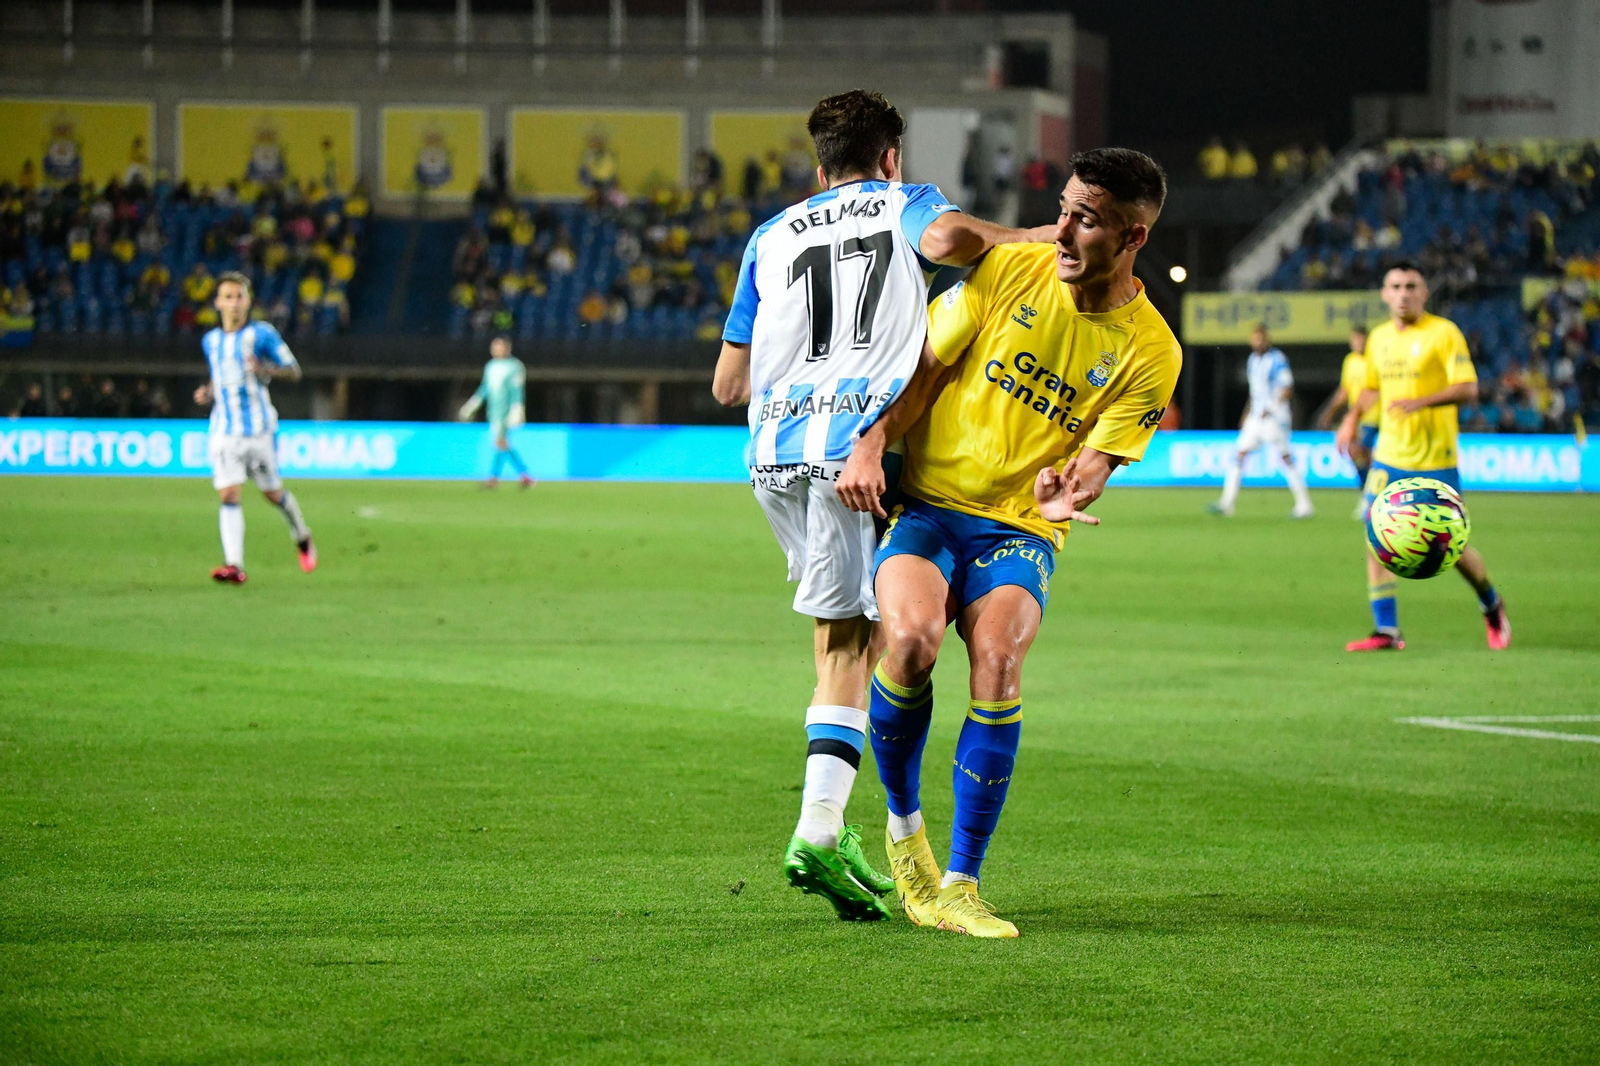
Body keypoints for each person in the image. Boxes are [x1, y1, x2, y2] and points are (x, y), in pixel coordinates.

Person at [712, 89, 1055, 924]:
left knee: (841, 644)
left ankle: (828, 827)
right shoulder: (906, 203)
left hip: (773, 457)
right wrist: (1041, 241)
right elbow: (950, 242)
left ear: (817, 162)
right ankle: (824, 829)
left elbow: (727, 383)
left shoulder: (770, 235)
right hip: (856, 452)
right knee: (877, 644)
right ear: (891, 157)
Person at [836, 147, 1182, 937]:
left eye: (1084, 219)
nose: (1059, 230)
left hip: (1019, 526)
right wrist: (871, 445)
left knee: (997, 663)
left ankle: (961, 884)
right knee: (912, 646)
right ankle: (903, 832)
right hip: (926, 503)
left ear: (1133, 239)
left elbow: (1099, 462)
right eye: (1061, 207)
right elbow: (923, 371)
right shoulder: (1009, 271)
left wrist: (1073, 488)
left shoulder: (1151, 350)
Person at [1336, 262, 1510, 651]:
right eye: (1395, 286)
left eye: (1411, 286)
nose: (1403, 293)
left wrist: (1422, 401)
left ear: (1425, 292)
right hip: (1390, 456)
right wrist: (1350, 420)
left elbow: (1468, 388)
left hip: (1435, 460)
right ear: (1384, 294)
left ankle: (1491, 603)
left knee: (1453, 548)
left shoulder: (1443, 334)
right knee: (1375, 538)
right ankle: (1387, 631)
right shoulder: (1379, 338)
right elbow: (1371, 389)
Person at [192, 272, 317, 585]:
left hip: (259, 430)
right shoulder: (211, 341)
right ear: (218, 302)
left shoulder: (263, 335)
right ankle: (234, 565)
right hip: (223, 430)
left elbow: (294, 371)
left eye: (240, 297)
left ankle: (302, 536)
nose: (235, 303)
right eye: (229, 297)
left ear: (248, 301)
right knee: (229, 493)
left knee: (273, 494)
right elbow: (219, 375)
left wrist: (264, 368)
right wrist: (208, 392)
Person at [1210, 324, 1314, 518]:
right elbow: (1254, 392)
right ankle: (1227, 503)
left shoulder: (1277, 359)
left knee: (1285, 457)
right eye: (1255, 339)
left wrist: (1272, 407)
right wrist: (1246, 413)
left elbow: (1287, 388)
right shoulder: (1252, 360)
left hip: (1274, 418)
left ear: (1267, 339)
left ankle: (1304, 504)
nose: (1257, 342)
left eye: (1261, 338)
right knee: (1239, 454)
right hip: (1256, 418)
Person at [1316, 324, 1378, 518]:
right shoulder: (1350, 361)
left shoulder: (1375, 359)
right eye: (1355, 340)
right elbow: (1345, 390)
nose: (1358, 343)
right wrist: (1329, 412)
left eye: (1361, 339)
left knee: (1370, 457)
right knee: (1359, 455)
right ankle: (1368, 498)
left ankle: (1374, 499)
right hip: (1359, 419)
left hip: (1379, 417)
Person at [458, 334, 534, 489]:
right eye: (494, 346)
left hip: (507, 411)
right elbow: (484, 389)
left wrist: (517, 409)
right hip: (494, 411)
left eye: (499, 346)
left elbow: (517, 390)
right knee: (502, 444)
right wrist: (472, 405)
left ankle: (494, 478)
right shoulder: (490, 366)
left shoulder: (515, 366)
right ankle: (525, 476)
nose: (496, 349)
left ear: (507, 348)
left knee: (500, 442)